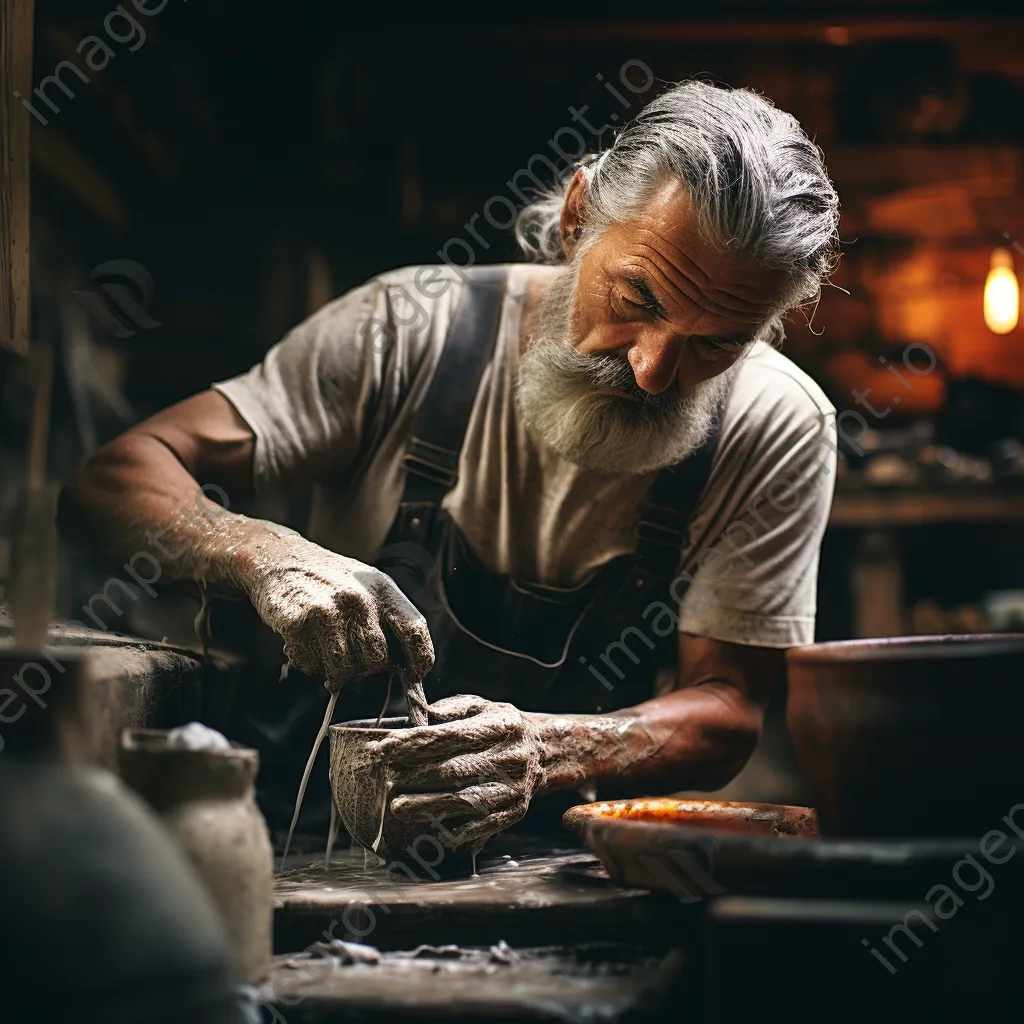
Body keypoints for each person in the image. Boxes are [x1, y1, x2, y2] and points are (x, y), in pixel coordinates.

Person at [59, 80, 840, 848]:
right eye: (638, 298)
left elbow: (727, 710)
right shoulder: (405, 331)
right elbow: (112, 480)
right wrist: (267, 557)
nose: (653, 372)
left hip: (552, 859)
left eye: (718, 342)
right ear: (577, 219)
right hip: (301, 835)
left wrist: (547, 748)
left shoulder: (776, 424)